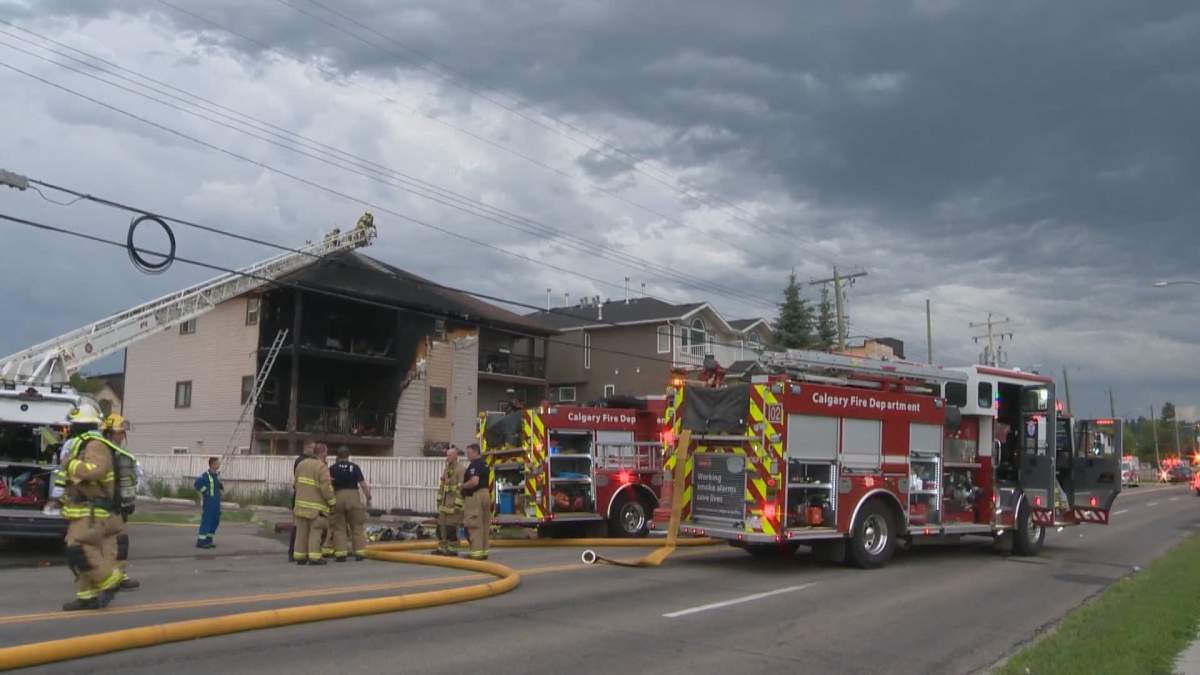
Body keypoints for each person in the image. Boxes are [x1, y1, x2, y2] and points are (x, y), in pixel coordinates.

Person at [59, 406, 124, 610]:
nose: (70, 427)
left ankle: (110, 580)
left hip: (93, 510)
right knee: (80, 553)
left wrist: (70, 465)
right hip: (86, 508)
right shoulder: (84, 444)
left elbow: (94, 471)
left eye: (73, 424)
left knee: (78, 548)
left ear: (81, 424)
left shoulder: (95, 445)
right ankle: (87, 596)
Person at [98, 414, 140, 592]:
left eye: (123, 433)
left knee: (116, 542)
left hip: (113, 505)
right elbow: (124, 482)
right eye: (118, 432)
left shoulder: (107, 451)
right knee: (114, 542)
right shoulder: (111, 453)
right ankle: (106, 577)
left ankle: (115, 575)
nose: (121, 436)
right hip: (110, 506)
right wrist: (127, 503)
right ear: (108, 433)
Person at [293, 442, 335, 565]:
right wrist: (332, 502)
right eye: (326, 452)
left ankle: (300, 556)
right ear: (322, 453)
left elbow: (295, 484)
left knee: (301, 533)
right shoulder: (321, 467)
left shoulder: (301, 464)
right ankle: (315, 557)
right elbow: (326, 488)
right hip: (316, 509)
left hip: (300, 506)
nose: (327, 455)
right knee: (316, 532)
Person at [328, 446, 371, 562]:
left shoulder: (332, 468)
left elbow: (329, 485)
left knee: (339, 528)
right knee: (357, 527)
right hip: (354, 497)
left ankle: (341, 554)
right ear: (348, 455)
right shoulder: (355, 467)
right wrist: (368, 497)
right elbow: (363, 484)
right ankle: (359, 553)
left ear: (337, 456)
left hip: (338, 497)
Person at [460, 443, 490, 561]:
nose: (467, 455)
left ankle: (476, 554)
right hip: (486, 494)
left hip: (476, 496)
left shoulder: (474, 465)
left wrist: (462, 486)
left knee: (474, 525)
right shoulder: (484, 463)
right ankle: (483, 552)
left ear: (475, 452)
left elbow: (474, 482)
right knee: (484, 524)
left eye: (469, 453)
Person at [433, 446, 465, 556]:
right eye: (447, 455)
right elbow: (443, 486)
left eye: (450, 455)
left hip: (453, 505)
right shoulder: (447, 469)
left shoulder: (460, 469)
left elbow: (461, 488)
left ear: (456, 456)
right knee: (441, 527)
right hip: (444, 504)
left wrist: (458, 505)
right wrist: (439, 500)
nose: (447, 457)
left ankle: (452, 549)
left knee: (451, 528)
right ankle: (442, 547)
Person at [194, 457, 224, 549]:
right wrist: (205, 492)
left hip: (216, 502)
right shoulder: (205, 475)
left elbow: (216, 486)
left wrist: (220, 487)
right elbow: (197, 484)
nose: (219, 465)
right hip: (209, 502)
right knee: (207, 521)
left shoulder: (216, 476)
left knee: (215, 521)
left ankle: (208, 540)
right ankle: (201, 542)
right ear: (212, 464)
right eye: (217, 463)